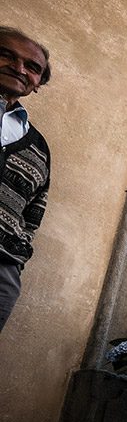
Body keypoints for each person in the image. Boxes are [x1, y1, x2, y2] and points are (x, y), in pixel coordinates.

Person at [0, 27, 51, 333]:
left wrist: (14, 259)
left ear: (37, 84)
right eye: (7, 55)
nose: (19, 69)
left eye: (33, 67)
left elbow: (33, 214)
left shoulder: (38, 148)